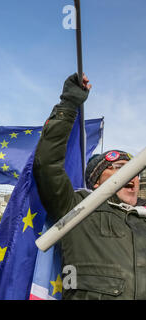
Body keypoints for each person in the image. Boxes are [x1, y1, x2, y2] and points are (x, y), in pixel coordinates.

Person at [33, 73, 146, 300]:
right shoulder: (76, 208)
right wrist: (68, 104)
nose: (132, 178)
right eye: (120, 169)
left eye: (136, 172)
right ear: (96, 181)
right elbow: (47, 164)